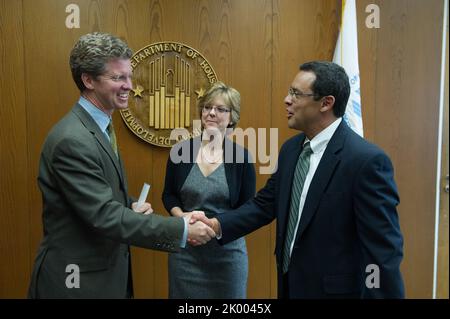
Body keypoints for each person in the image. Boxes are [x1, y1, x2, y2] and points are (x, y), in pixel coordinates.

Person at [193, 61, 405, 298]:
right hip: (290, 286)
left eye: (295, 93)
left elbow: (382, 253)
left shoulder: (365, 161)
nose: (286, 99)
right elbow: (265, 204)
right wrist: (218, 224)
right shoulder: (291, 150)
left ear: (326, 103)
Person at [28, 32, 215, 299]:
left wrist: (129, 206)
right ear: (88, 80)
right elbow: (103, 215)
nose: (129, 85)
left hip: (103, 278)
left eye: (129, 76)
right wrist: (182, 229)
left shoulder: (97, 127)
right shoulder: (72, 139)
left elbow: (92, 197)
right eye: (118, 78)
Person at [162, 82, 256, 298]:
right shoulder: (181, 151)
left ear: (232, 117)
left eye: (221, 109)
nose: (212, 113)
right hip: (186, 250)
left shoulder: (241, 158)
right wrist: (182, 216)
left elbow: (248, 210)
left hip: (227, 254)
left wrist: (215, 228)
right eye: (207, 107)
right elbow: (169, 195)